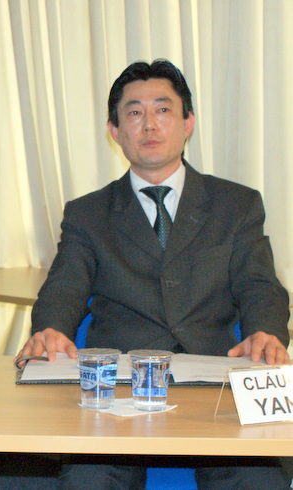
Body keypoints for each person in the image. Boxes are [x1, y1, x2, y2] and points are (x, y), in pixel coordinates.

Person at [16, 59, 291, 489]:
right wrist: (50, 328)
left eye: (163, 110)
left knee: (258, 481)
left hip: (214, 387)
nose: (149, 124)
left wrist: (266, 332)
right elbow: (65, 285)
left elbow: (260, 285)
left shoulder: (236, 205)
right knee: (87, 481)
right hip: (119, 391)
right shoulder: (88, 213)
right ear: (115, 131)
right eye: (134, 112)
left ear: (188, 123)